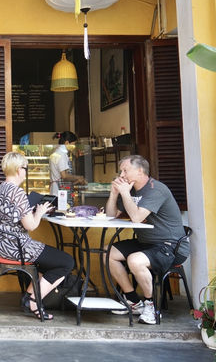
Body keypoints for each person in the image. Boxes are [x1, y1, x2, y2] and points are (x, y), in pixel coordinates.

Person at [0, 151, 74, 320]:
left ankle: (29, 297)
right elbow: (31, 226)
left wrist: (32, 211)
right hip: (16, 247)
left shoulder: (0, 189)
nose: (26, 172)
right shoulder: (17, 192)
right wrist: (40, 211)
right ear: (19, 169)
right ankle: (35, 300)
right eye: (26, 168)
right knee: (66, 262)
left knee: (50, 261)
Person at [105, 155, 189, 324]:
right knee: (107, 252)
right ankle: (134, 301)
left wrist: (125, 193)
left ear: (140, 171)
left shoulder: (155, 189)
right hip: (147, 244)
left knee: (134, 260)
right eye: (121, 171)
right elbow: (110, 216)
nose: (121, 175)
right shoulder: (132, 190)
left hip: (170, 246)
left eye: (125, 170)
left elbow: (136, 217)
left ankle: (152, 307)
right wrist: (114, 194)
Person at [49, 131, 86, 196]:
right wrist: (78, 177)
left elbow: (59, 176)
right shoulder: (61, 155)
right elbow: (64, 176)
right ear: (67, 143)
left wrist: (77, 180)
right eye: (73, 144)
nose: (74, 146)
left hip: (55, 190)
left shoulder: (56, 152)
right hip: (60, 192)